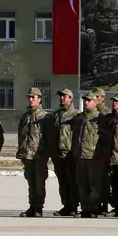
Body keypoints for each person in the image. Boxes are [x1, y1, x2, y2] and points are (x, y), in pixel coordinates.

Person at [16, 87, 50, 217]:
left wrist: (47, 153)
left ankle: (38, 208)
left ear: (39, 99)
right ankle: (32, 206)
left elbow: (49, 137)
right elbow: (21, 136)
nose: (30, 99)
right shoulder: (25, 117)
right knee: (31, 182)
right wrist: (21, 152)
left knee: (39, 182)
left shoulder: (45, 117)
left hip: (39, 155)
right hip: (27, 155)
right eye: (29, 97)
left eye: (33, 97)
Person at [50, 89, 81, 216]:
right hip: (58, 154)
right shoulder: (55, 115)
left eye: (65, 96)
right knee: (62, 181)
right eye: (61, 96)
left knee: (72, 181)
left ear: (71, 98)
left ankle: (73, 206)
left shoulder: (76, 115)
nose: (62, 98)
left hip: (70, 154)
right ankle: (66, 205)